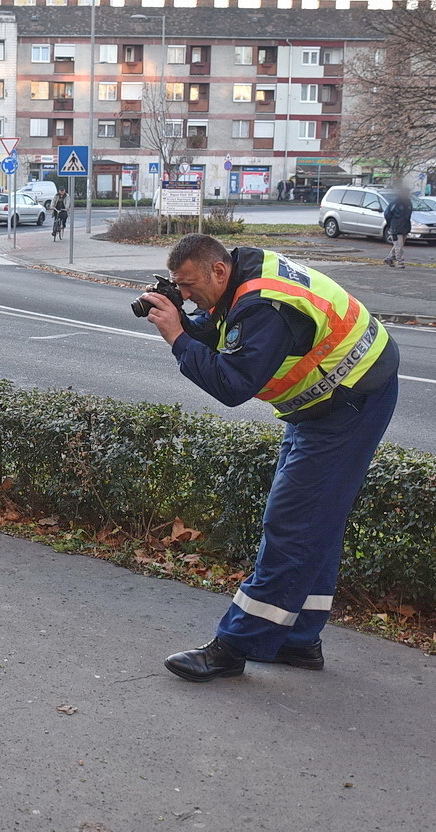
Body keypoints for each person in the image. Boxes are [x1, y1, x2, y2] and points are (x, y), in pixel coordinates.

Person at [142, 234, 399, 682]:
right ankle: (297, 642)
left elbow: (232, 384)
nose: (185, 295)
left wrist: (179, 338)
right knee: (312, 522)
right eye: (178, 287)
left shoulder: (264, 306)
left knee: (293, 524)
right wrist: (188, 319)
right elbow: (229, 334)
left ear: (218, 271)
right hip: (327, 402)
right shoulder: (244, 271)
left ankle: (232, 647)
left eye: (188, 286)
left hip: (350, 402)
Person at [383, 193, 413, 269]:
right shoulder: (396, 202)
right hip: (396, 227)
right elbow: (387, 214)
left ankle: (389, 258)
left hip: (405, 227)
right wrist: (391, 224)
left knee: (399, 245)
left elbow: (408, 215)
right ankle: (400, 262)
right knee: (399, 245)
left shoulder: (408, 202)